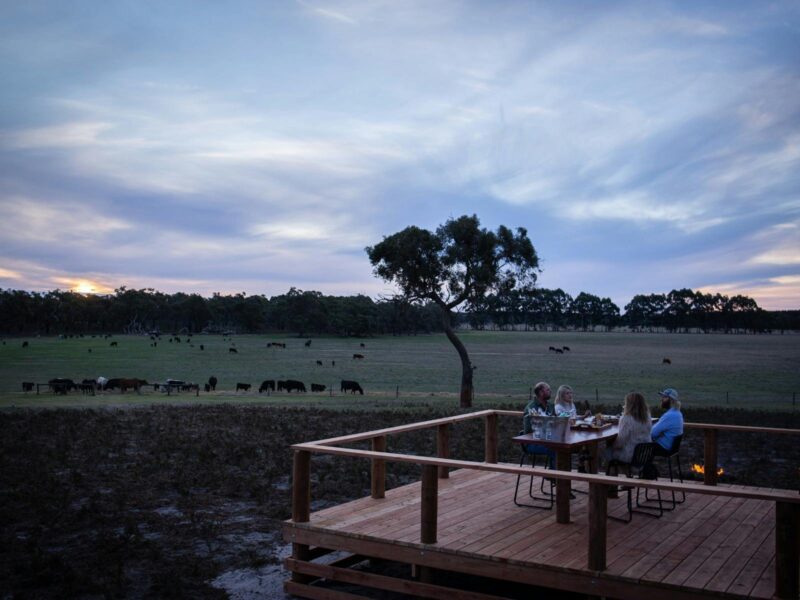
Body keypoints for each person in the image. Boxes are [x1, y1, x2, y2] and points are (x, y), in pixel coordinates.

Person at [604, 392, 652, 464]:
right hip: (645, 455)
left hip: (629, 456)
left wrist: (611, 444)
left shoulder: (626, 418)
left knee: (606, 450)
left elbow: (620, 442)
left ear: (630, 405)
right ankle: (625, 473)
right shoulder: (647, 417)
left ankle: (611, 474)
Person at [522, 381, 555, 467]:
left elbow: (556, 422)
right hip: (533, 443)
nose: (550, 391)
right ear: (541, 392)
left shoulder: (551, 406)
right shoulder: (531, 408)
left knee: (562, 448)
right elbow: (528, 430)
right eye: (548, 390)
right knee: (555, 449)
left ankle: (556, 476)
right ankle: (555, 477)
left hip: (549, 440)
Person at [651, 387, 683, 454]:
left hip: (664, 447)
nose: (661, 399)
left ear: (671, 400)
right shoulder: (678, 413)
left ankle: (641, 464)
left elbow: (653, 434)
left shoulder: (669, 415)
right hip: (672, 448)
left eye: (664, 397)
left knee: (639, 445)